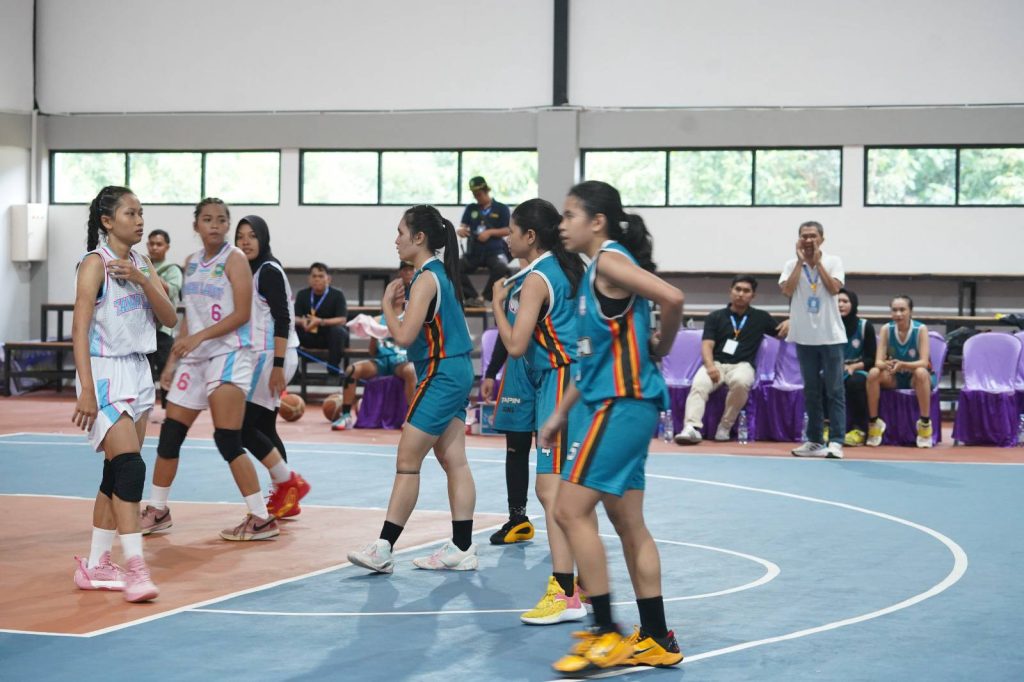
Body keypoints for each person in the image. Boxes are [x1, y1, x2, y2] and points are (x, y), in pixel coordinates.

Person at [540, 181, 685, 674]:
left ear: (596, 221)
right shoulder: (595, 273)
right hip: (624, 404)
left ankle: (606, 631)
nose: (562, 224)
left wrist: (662, 346)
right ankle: (657, 637)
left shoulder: (608, 262)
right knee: (628, 523)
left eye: (570, 215)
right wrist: (560, 413)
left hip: (623, 405)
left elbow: (673, 296)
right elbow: (594, 361)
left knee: (568, 508)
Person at [140, 198, 280, 541]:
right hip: (196, 356)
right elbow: (191, 316)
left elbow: (242, 314)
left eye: (220, 219)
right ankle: (158, 509)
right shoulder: (191, 262)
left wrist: (199, 337)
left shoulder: (235, 259)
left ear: (227, 225)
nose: (214, 224)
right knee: (171, 434)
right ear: (196, 225)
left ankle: (261, 518)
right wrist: (172, 361)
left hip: (230, 353)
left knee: (227, 437)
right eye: (207, 219)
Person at [347, 205, 477, 573]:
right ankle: (463, 546)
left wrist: (386, 306)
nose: (396, 240)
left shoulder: (426, 279)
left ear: (419, 238)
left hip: (441, 372)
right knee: (454, 459)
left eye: (401, 232)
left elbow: (403, 336)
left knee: (407, 461)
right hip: (456, 369)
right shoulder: (438, 275)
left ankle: (384, 547)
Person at [71, 186, 177, 602]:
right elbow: (79, 330)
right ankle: (136, 568)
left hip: (138, 370)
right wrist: (86, 389)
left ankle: (97, 563)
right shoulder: (93, 264)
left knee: (116, 472)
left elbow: (169, 317)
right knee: (132, 468)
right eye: (130, 213)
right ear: (107, 221)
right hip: (105, 370)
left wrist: (143, 280)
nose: (139, 220)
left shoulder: (142, 262)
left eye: (141, 213)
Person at [491, 198, 590, 626]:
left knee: (552, 492)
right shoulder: (571, 267)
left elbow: (515, 345)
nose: (506, 238)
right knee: (568, 489)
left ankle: (564, 592)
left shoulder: (536, 278)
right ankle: (584, 582)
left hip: (561, 381)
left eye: (511, 231)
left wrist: (497, 304)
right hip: (578, 379)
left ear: (530, 236)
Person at [234, 216, 312, 518]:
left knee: (243, 428)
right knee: (265, 427)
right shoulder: (251, 270)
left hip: (272, 356)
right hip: (267, 356)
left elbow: (283, 319)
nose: (246, 241)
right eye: (241, 236)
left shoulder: (268, 271)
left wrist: (278, 365)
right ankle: (287, 495)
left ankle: (289, 483)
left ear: (263, 239)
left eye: (252, 235)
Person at [674, 275, 787, 444]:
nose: (741, 294)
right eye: (737, 289)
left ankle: (725, 426)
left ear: (753, 295)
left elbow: (780, 332)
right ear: (731, 291)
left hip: (743, 365)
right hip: (716, 364)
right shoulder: (715, 317)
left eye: (746, 291)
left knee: (741, 382)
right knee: (699, 384)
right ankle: (691, 428)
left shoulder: (761, 317)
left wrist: (790, 322)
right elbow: (707, 345)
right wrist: (710, 366)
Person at [779, 221, 848, 459]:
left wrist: (818, 264)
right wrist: (801, 263)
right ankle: (815, 440)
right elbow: (787, 290)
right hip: (804, 337)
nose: (809, 240)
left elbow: (834, 289)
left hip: (830, 336)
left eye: (813, 236)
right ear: (798, 239)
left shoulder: (834, 261)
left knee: (835, 390)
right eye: (804, 236)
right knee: (811, 391)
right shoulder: (791, 264)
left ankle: (836, 441)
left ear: (822, 239)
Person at [332, 262, 418, 431]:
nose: (399, 293)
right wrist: (374, 334)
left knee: (411, 371)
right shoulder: (378, 320)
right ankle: (346, 415)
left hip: (401, 361)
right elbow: (372, 352)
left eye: (402, 290)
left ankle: (410, 417)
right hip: (381, 361)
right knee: (351, 370)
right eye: (396, 290)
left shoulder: (410, 317)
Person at [480, 336, 535, 545]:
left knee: (550, 450)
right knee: (516, 447)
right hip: (518, 371)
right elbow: (506, 335)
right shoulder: (508, 309)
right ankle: (518, 518)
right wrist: (491, 373)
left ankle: (563, 520)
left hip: (551, 370)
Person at [865, 295, 935, 448]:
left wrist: (903, 364)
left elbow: (924, 362)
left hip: (915, 377)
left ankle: (924, 425)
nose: (898, 314)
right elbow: (878, 362)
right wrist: (888, 364)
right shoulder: (886, 329)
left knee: (921, 372)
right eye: (894, 310)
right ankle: (874, 423)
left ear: (910, 311)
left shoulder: (920, 329)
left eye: (902, 310)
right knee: (873, 373)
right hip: (895, 375)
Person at [457, 176, 511, 306]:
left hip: (494, 251)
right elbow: (462, 226)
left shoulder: (501, 208)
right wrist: (460, 230)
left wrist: (490, 232)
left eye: (479, 194)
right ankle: (472, 296)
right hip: (474, 252)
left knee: (502, 268)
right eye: (474, 194)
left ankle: (486, 297)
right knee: (453, 267)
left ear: (486, 190)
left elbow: (508, 230)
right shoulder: (471, 208)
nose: (477, 197)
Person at [294, 262, 348, 383]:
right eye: (314, 276)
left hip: (329, 337)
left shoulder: (337, 295)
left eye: (321, 276)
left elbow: (342, 319)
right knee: (291, 330)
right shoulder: (302, 294)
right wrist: (302, 321)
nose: (317, 279)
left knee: (338, 332)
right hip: (309, 334)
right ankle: (293, 373)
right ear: (309, 279)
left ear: (328, 279)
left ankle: (333, 373)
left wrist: (320, 321)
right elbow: (294, 317)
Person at [836, 289, 876, 446]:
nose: (840, 305)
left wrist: (853, 367)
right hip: (835, 368)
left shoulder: (865, 326)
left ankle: (858, 430)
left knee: (855, 382)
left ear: (853, 304)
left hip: (859, 369)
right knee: (823, 379)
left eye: (845, 301)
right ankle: (827, 427)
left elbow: (872, 358)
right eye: (837, 301)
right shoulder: (829, 326)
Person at [145, 229, 182, 386]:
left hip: (163, 330)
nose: (154, 247)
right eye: (151, 244)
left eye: (159, 244)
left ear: (167, 247)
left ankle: (168, 401)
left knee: (166, 376)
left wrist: (148, 274)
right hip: (144, 329)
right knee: (144, 376)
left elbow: (170, 291)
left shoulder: (172, 269)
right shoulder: (140, 266)